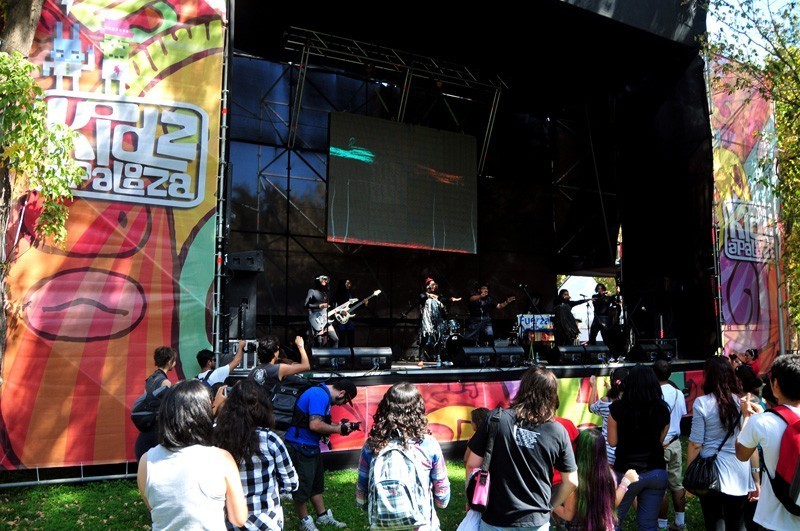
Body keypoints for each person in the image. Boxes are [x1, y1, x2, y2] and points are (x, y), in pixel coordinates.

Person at [465, 366, 578, 529]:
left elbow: (472, 464)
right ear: (552, 395)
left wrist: (471, 499)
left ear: (523, 388)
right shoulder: (558, 431)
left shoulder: (495, 419)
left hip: (496, 517)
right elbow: (572, 481)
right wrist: (549, 507)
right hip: (536, 521)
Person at [137, 380, 248, 530]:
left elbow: (154, 507)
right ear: (203, 414)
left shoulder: (146, 461)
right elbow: (239, 518)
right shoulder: (222, 459)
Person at [355, 382, 450, 529]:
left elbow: (361, 495)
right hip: (422, 524)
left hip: (382, 524)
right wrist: (438, 502)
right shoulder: (428, 444)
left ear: (385, 408)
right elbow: (442, 496)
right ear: (418, 409)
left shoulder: (371, 445)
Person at [213, 379, 299, 530]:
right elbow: (291, 483)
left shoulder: (216, 439)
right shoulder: (270, 440)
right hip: (267, 522)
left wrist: (215, 408)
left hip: (229, 521)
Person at [284, 378, 359, 531]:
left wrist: (340, 426)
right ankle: (304, 521)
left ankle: (322, 516)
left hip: (310, 446)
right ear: (342, 393)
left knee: (316, 485)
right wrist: (339, 429)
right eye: (345, 400)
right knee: (302, 487)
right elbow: (315, 424)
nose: (341, 404)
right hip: (300, 446)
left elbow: (317, 422)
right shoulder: (319, 395)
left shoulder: (322, 394)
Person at [688, 355, 753, 530]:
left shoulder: (702, 403)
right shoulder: (742, 403)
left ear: (707, 376)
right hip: (739, 469)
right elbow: (749, 441)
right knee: (738, 522)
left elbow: (695, 443)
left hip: (710, 472)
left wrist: (690, 474)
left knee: (714, 522)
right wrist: (756, 478)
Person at [737, 354, 800, 530]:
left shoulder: (761, 422)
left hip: (774, 520)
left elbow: (741, 454)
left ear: (775, 384)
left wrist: (747, 418)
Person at [608, 364, 670, 531]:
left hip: (626, 473)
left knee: (613, 521)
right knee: (648, 524)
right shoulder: (663, 410)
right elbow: (660, 440)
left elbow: (612, 442)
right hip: (656, 471)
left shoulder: (617, 409)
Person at [552, 428, 640, 531]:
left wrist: (549, 503)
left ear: (577, 448)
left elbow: (568, 515)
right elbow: (612, 503)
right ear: (602, 450)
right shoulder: (608, 475)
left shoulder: (574, 479)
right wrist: (625, 482)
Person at [653, 359, 688, 531]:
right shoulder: (678, 393)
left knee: (660, 487)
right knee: (677, 484)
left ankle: (662, 525)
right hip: (675, 443)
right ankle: (680, 523)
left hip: (658, 444)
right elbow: (682, 414)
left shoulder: (652, 393)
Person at [135, 346, 178, 461]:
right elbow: (166, 409)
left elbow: (145, 400)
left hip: (147, 428)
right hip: (158, 430)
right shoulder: (165, 382)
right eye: (174, 361)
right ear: (170, 362)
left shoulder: (149, 379)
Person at [589, 367, 629, 466]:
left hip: (608, 453)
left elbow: (591, 407)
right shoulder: (632, 401)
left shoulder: (605, 401)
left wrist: (593, 387)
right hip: (627, 453)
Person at [419, 277, 460, 363]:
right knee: (425, 337)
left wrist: (451, 300)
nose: (434, 286)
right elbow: (422, 298)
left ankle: (439, 357)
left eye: (434, 285)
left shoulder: (438, 295)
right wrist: (429, 295)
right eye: (432, 285)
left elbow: (444, 300)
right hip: (427, 320)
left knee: (439, 337)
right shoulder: (423, 295)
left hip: (437, 319)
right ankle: (421, 357)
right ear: (428, 286)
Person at [463, 283, 515, 347]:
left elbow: (499, 306)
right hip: (475, 321)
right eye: (483, 288)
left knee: (490, 336)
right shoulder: (473, 296)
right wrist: (480, 296)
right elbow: (472, 299)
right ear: (479, 290)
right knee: (470, 339)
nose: (486, 290)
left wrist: (507, 302)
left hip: (486, 321)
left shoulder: (489, 299)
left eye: (487, 289)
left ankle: (492, 351)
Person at [305, 274, 339, 348]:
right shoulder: (312, 291)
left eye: (325, 279)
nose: (324, 281)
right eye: (322, 279)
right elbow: (306, 305)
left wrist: (335, 310)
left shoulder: (325, 293)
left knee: (335, 339)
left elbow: (327, 307)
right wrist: (319, 306)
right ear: (318, 280)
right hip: (317, 319)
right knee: (318, 342)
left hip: (326, 319)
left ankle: (332, 355)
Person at [333, 279, 365, 348]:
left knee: (351, 340)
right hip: (341, 319)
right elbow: (332, 306)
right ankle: (341, 353)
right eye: (347, 283)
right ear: (343, 284)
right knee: (342, 339)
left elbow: (353, 307)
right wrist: (341, 311)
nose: (349, 285)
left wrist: (363, 305)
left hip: (350, 320)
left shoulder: (350, 294)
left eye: (349, 283)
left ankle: (351, 353)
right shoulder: (337, 294)